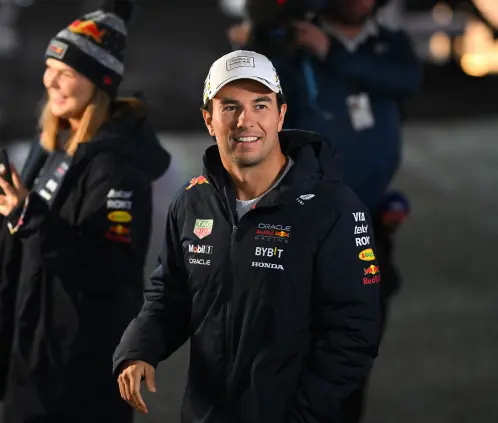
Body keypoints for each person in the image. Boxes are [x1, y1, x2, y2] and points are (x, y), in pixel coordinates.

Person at [113, 49, 381, 423]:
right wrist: (138, 349)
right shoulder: (192, 202)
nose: (245, 121)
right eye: (230, 107)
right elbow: (170, 294)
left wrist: (301, 415)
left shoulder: (333, 208)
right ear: (209, 119)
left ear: (281, 114)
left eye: (260, 105)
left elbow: (353, 334)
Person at [228, 1, 421, 420]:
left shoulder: (390, 45)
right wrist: (262, 48)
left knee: (354, 341)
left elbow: (406, 79)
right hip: (304, 221)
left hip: (367, 219)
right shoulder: (295, 43)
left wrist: (332, 53)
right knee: (291, 339)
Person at [0, 1, 171, 422]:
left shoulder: (116, 166)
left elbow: (106, 271)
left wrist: (28, 217)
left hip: (78, 375)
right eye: (49, 68)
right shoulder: (53, 142)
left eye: (68, 73)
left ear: (99, 84)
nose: (51, 82)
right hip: (32, 365)